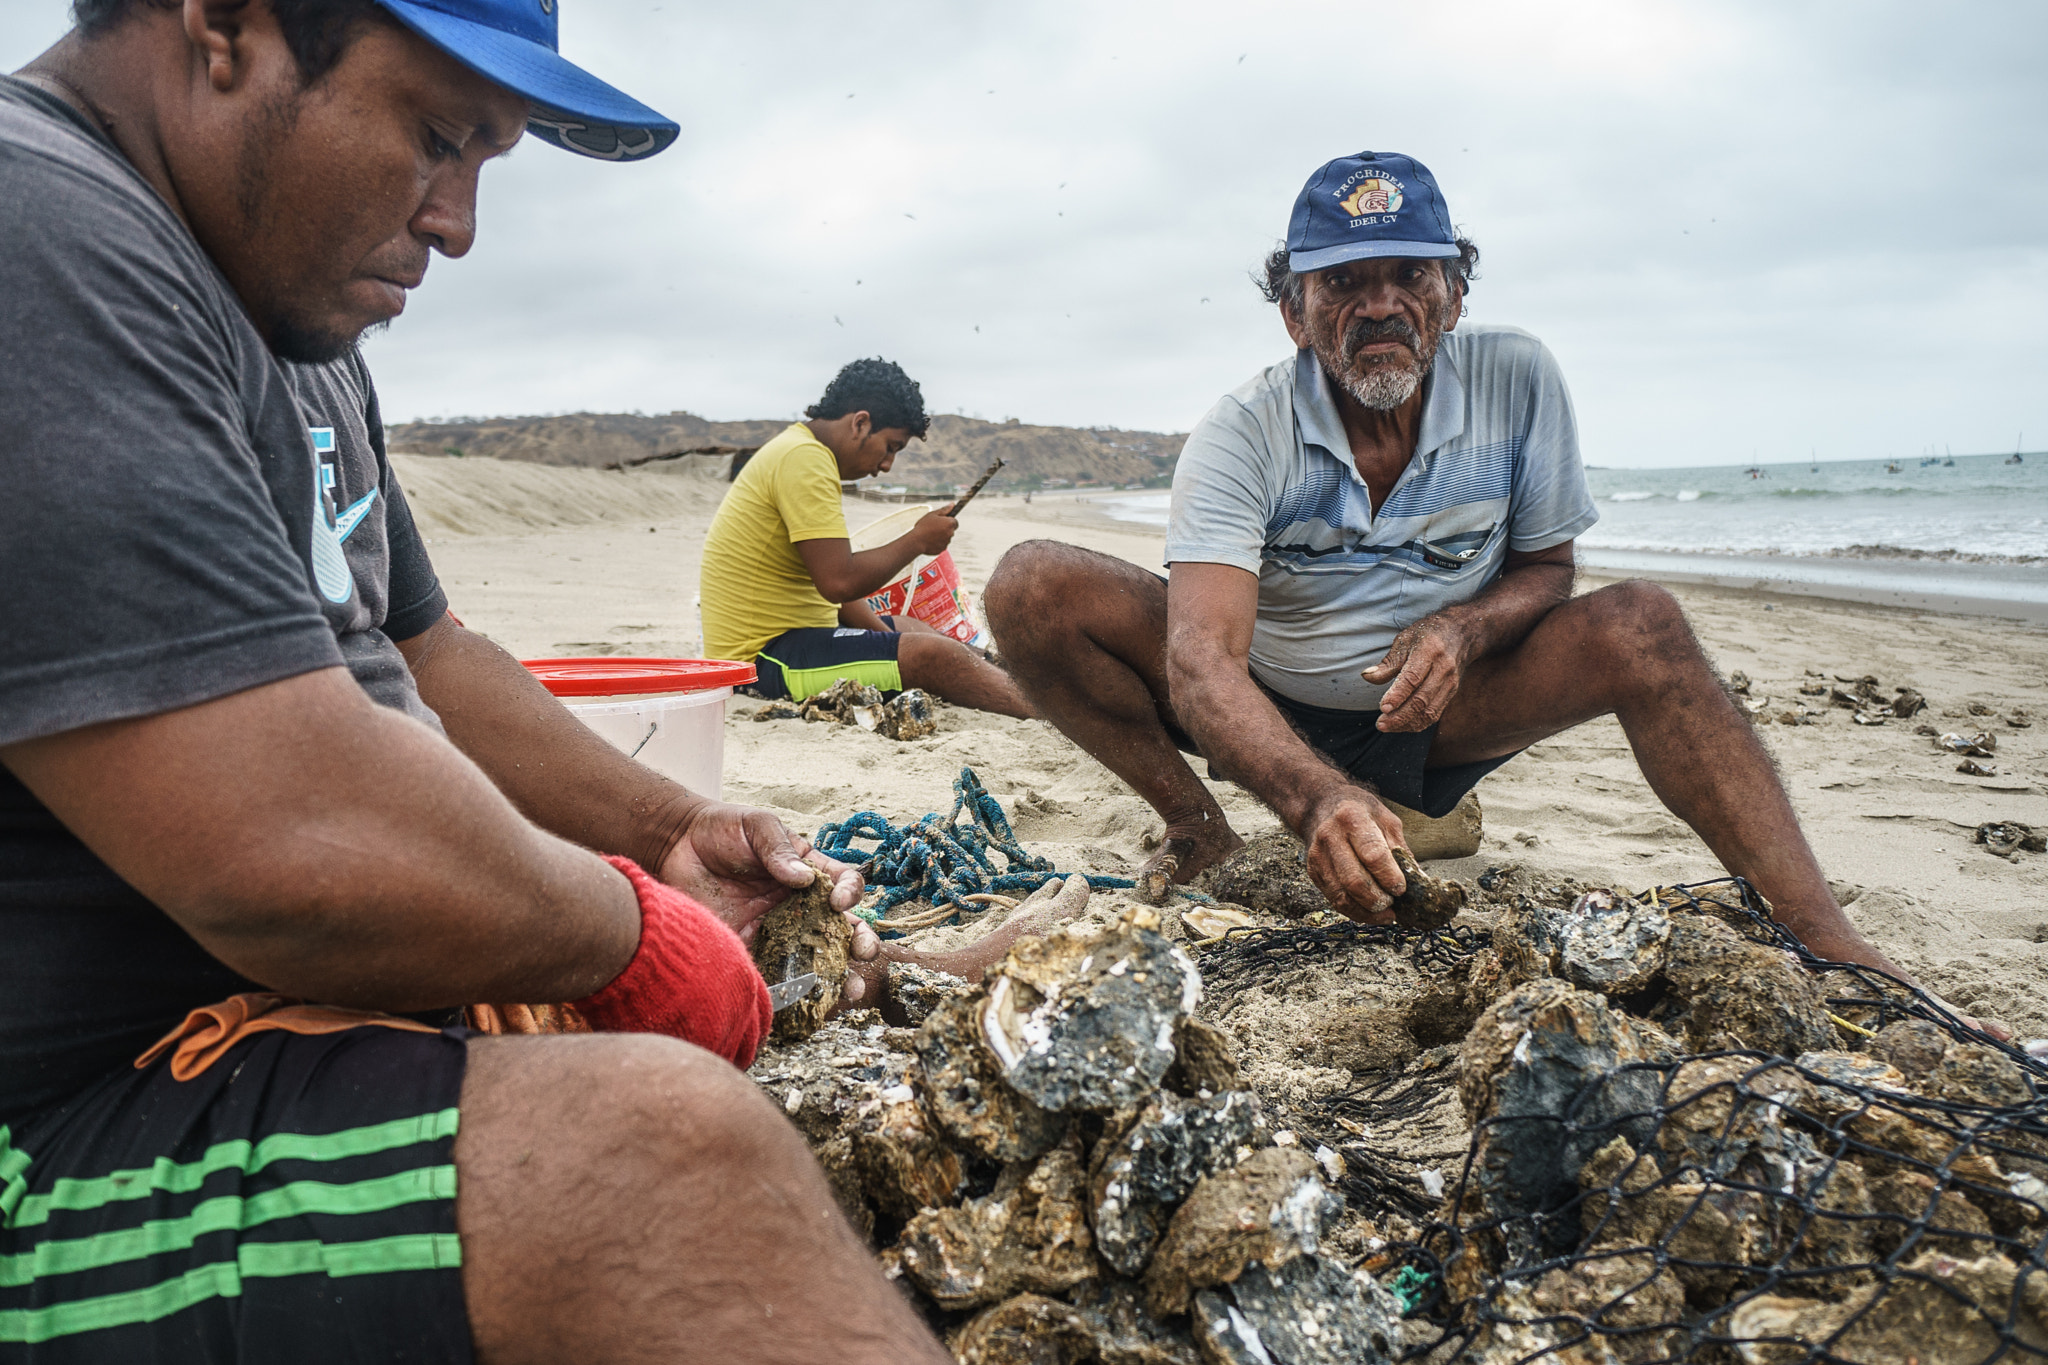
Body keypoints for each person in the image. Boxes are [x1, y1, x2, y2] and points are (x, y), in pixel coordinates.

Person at [0, 0, 951, 1359]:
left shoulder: (281, 317)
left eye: (488, 161)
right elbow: (287, 849)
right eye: (439, 138)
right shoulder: (39, 235)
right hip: (50, 1122)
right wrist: (631, 934)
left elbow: (426, 652)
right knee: (664, 1167)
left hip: (266, 1018)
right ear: (223, 25)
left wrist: (667, 833)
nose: (457, 223)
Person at [983, 149, 1910, 986]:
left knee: (1646, 623)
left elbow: (1549, 569)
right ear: (1295, 314)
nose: (1380, 303)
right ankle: (1198, 827)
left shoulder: (1520, 380)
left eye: (1409, 275)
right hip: (1263, 711)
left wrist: (1462, 628)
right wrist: (1315, 798)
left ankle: (1823, 933)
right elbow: (1201, 662)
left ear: (1454, 295)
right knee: (1030, 582)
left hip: (1443, 711)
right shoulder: (1243, 432)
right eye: (1342, 280)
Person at [699, 358, 1034, 717]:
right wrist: (916, 541)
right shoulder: (804, 459)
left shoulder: (804, 452)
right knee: (935, 657)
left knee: (914, 629)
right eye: (891, 446)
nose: (887, 464)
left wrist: (890, 639)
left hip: (798, 637)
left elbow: (833, 591)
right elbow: (839, 582)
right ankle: (1049, 714)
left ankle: (1012, 678)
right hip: (759, 663)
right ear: (860, 423)